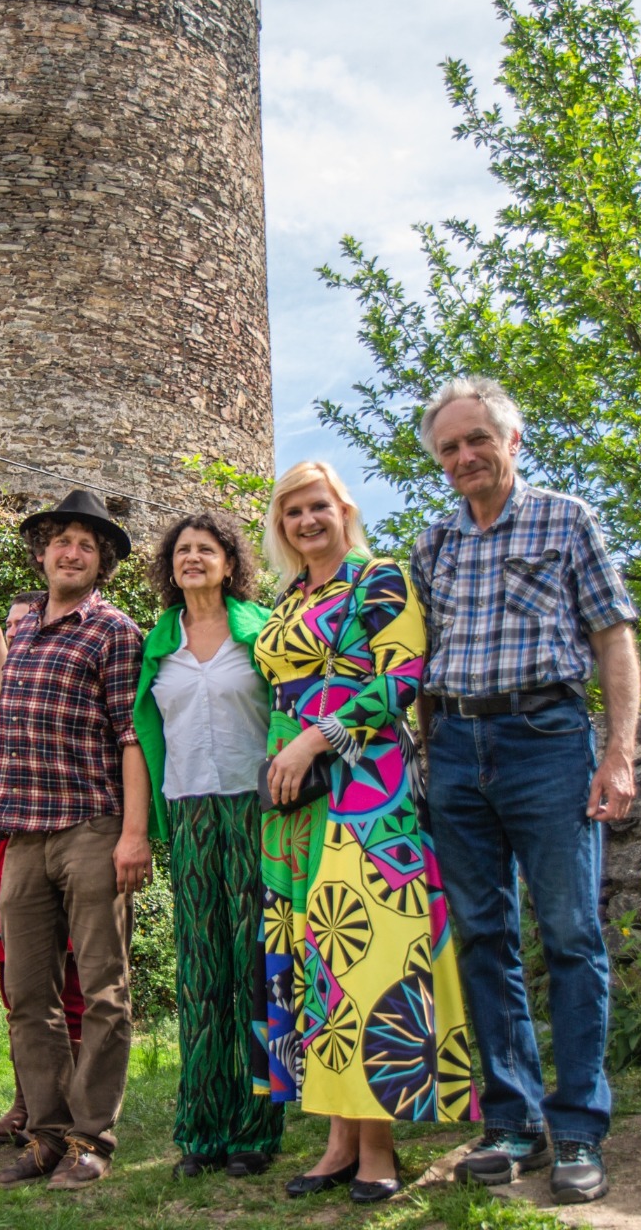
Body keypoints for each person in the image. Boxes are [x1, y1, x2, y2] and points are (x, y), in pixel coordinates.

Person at [409, 378, 640, 1206]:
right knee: (481, 937)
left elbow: (613, 633)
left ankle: (578, 1126)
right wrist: (427, 758)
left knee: (572, 934)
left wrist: (618, 753)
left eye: (477, 440)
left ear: (513, 441)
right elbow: (419, 664)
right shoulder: (433, 542)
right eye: (449, 448)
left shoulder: (565, 517)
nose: (465, 456)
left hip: (547, 741)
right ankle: (512, 1120)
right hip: (459, 752)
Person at [255, 461, 479, 1205]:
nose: (306, 521)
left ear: (343, 509)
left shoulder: (377, 577)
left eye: (317, 506)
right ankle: (337, 1139)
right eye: (292, 513)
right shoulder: (290, 596)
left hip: (362, 785)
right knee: (315, 960)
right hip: (293, 799)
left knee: (371, 964)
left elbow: (401, 677)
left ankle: (378, 1144)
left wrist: (313, 741)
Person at [0, 489, 149, 1191]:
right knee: (29, 995)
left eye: (86, 544)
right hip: (22, 835)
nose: (72, 552)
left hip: (91, 827)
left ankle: (92, 1139)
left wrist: (134, 834)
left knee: (105, 991)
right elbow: (1, 700)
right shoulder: (23, 631)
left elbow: (133, 736)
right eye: (61, 541)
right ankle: (46, 1134)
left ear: (101, 561)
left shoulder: (115, 631)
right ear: (43, 552)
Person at [130, 513, 282, 1178]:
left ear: (229, 562)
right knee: (199, 973)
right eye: (182, 551)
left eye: (207, 550)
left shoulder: (262, 631)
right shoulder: (156, 643)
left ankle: (255, 1128)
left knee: (255, 969)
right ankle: (200, 1126)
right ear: (170, 565)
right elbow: (138, 731)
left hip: (257, 811)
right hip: (189, 812)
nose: (193, 559)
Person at [0, 592, 87, 1147]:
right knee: (20, 990)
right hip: (5, 849)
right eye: (8, 626)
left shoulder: (54, 691)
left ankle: (78, 1109)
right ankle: (28, 1105)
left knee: (74, 988)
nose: (16, 633)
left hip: (61, 841)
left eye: (25, 624)